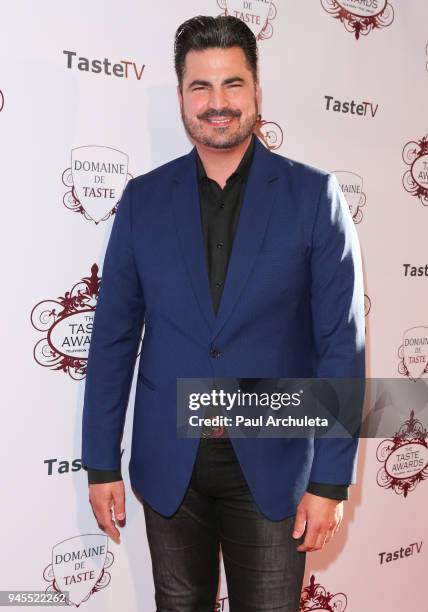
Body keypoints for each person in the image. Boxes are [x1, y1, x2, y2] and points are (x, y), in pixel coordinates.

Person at [81, 14, 365, 612]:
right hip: (169, 466)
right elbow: (112, 339)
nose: (218, 103)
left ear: (257, 90)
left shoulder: (314, 198)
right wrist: (101, 461)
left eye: (232, 84)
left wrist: (331, 479)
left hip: (274, 463)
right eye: (200, 87)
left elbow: (341, 345)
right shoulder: (142, 201)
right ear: (182, 95)